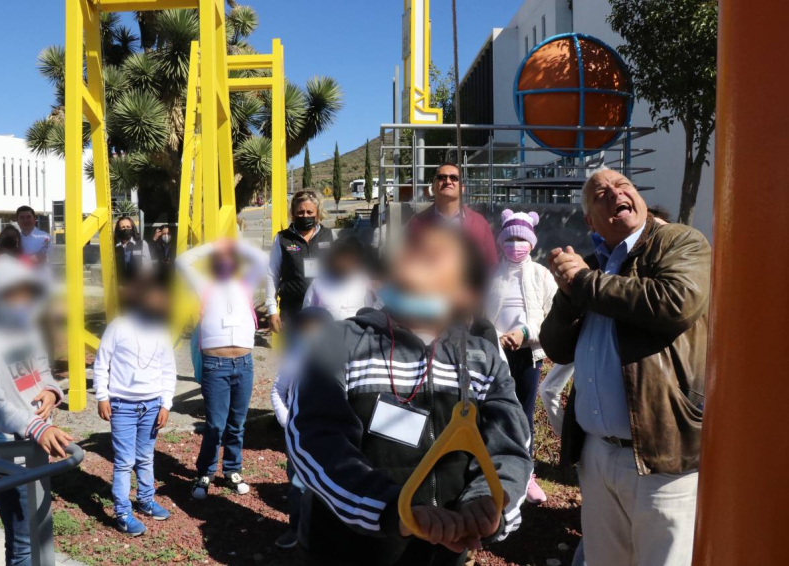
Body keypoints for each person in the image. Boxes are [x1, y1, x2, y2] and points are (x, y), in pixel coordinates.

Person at [286, 223, 532, 566]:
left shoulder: (482, 358)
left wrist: (486, 504)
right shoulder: (337, 343)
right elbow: (314, 440)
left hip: (441, 555)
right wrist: (391, 508)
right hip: (343, 551)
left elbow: (511, 446)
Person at [540, 168, 711, 566]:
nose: (615, 193)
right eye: (601, 194)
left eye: (623, 186)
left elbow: (675, 302)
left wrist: (583, 282)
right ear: (590, 221)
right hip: (597, 456)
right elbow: (556, 347)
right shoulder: (591, 266)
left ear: (638, 198)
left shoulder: (680, 240)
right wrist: (568, 294)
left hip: (661, 456)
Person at [0, 254, 74, 566]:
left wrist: (51, 391)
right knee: (23, 543)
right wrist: (36, 427)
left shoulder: (27, 330)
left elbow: (42, 372)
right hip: (6, 455)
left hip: (35, 448)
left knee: (37, 534)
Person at [176, 237, 269, 499]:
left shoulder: (246, 284)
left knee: (237, 424)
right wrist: (214, 246)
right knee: (215, 425)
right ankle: (205, 472)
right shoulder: (204, 285)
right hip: (215, 365)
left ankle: (232, 469)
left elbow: (262, 259)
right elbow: (182, 261)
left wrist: (235, 244)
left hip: (244, 364)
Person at [483, 209, 557, 505]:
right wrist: (495, 337)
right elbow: (478, 314)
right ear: (501, 242)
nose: (516, 244)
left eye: (522, 239)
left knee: (524, 415)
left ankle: (526, 475)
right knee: (492, 412)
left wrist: (525, 333)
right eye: (510, 238)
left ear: (532, 242)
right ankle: (490, 473)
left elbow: (553, 316)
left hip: (528, 356)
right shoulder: (490, 274)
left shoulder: (542, 275)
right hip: (494, 355)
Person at [93, 281, 176, 536]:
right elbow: (101, 363)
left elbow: (168, 370)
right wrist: (102, 396)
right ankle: (122, 512)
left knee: (146, 456)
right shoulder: (118, 327)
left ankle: (145, 499)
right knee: (124, 461)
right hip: (122, 405)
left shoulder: (161, 330)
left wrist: (166, 403)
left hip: (152, 405)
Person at [270, 306, 335, 549]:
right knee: (298, 485)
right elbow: (278, 391)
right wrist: (288, 422)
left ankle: (324, 533)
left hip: (329, 434)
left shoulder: (339, 358)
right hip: (298, 435)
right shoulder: (294, 356)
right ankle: (296, 528)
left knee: (330, 484)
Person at [266, 190, 334, 333]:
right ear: (293, 213)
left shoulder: (329, 236)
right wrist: (272, 310)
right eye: (300, 212)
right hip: (292, 312)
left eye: (310, 212)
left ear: (318, 213)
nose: (305, 216)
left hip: (324, 311)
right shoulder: (282, 239)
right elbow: (272, 275)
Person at [406, 163, 498, 269]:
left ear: (462, 188)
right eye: (442, 177)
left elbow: (492, 266)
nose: (448, 181)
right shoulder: (417, 224)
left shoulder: (480, 223)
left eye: (454, 178)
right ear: (433, 186)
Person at [301, 237, 376, 320]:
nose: (345, 263)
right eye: (341, 257)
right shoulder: (318, 283)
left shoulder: (364, 283)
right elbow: (306, 316)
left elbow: (371, 314)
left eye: (350, 259)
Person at [114, 216, 152, 284]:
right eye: (123, 227)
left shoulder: (142, 244)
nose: (125, 229)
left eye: (128, 227)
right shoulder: (114, 247)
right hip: (119, 286)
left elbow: (147, 267)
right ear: (118, 230)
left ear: (132, 228)